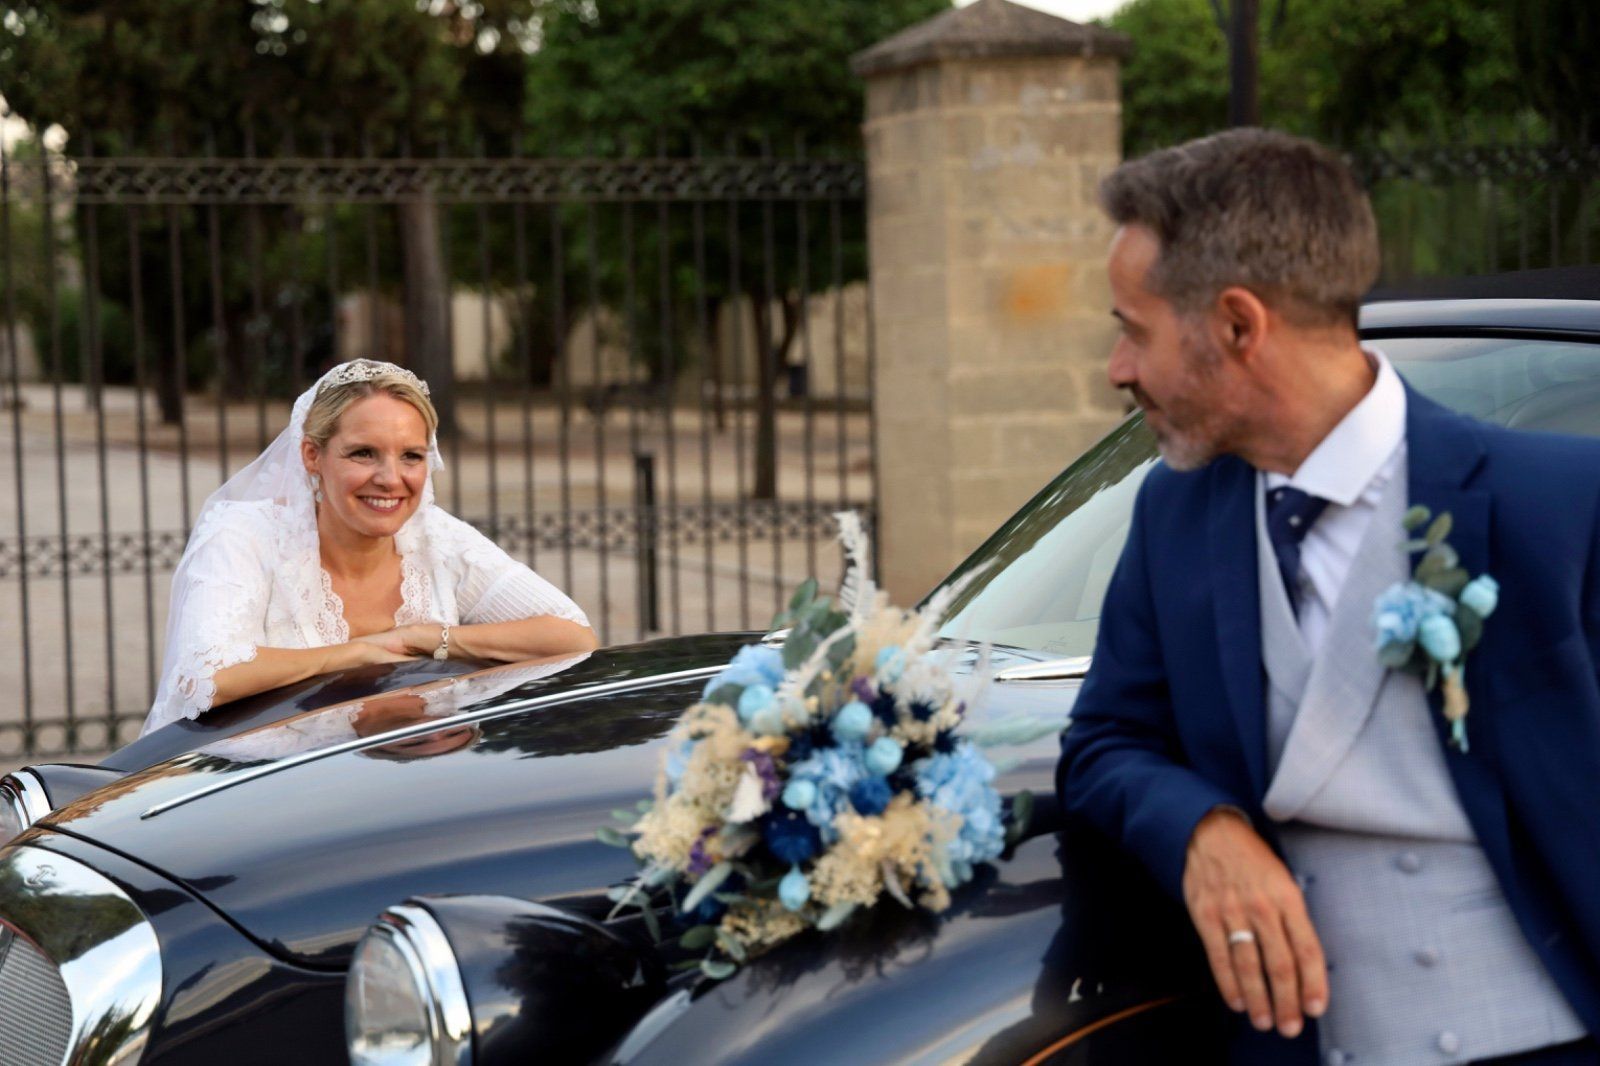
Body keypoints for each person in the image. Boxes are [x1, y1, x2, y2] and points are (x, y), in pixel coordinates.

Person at [1056, 129, 1600, 1065]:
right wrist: (1203, 828)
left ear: (1237, 325)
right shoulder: (1173, 514)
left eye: (1134, 329)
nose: (1117, 369)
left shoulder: (1561, 501)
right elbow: (1105, 743)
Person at [142, 359, 597, 735]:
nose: (390, 478)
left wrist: (429, 640)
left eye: (411, 456)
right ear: (312, 456)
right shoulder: (243, 534)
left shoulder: (436, 537)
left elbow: (572, 636)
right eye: (363, 453)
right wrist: (356, 654)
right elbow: (208, 679)